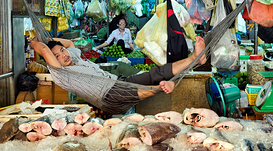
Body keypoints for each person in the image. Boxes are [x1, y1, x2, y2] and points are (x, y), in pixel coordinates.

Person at [30, 36, 206, 112]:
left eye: (62, 51)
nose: (64, 55)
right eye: (57, 56)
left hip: (117, 81)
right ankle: (162, 88)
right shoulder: (60, 73)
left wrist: (51, 41)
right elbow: (45, 51)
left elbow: (68, 44)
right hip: (107, 96)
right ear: (52, 61)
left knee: (155, 72)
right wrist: (35, 43)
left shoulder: (73, 57)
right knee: (132, 93)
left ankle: (195, 59)